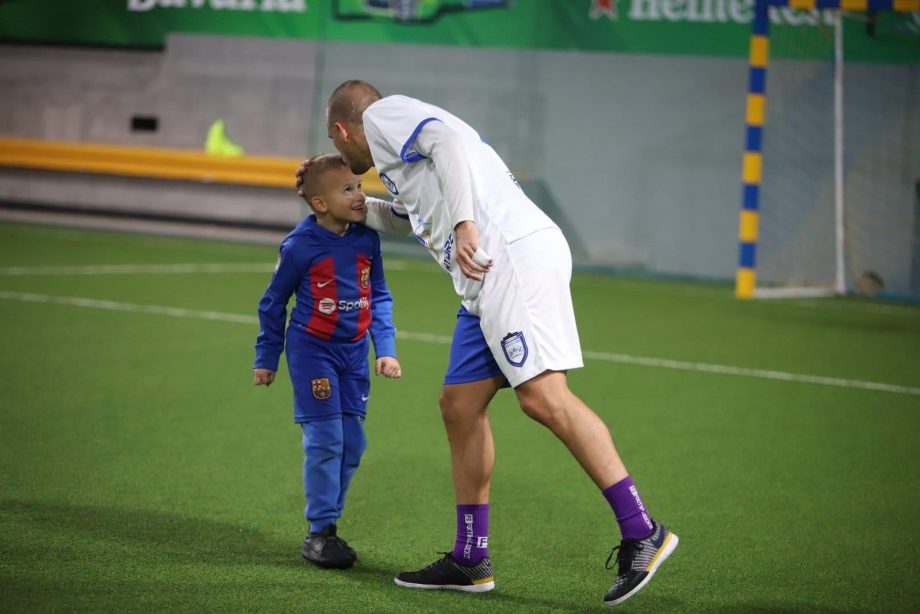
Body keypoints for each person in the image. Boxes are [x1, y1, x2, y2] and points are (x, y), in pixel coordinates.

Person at [302, 80, 678, 606]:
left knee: (544, 397)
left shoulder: (384, 116)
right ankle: (470, 557)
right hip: (483, 278)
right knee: (459, 405)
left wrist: (464, 224)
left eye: (334, 141)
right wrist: (348, 209)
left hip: (507, 260)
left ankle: (642, 530)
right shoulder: (397, 158)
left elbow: (447, 145)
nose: (341, 154)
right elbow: (407, 220)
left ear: (343, 130)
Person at [253, 153, 403, 570]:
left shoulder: (367, 239)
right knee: (325, 442)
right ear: (320, 203)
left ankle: (328, 523)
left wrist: (385, 348)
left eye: (360, 186)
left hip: (353, 355)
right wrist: (267, 356)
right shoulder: (299, 246)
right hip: (312, 352)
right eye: (348, 190)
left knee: (353, 444)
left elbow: (379, 295)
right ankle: (320, 531)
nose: (360, 196)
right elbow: (273, 303)